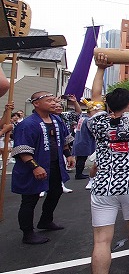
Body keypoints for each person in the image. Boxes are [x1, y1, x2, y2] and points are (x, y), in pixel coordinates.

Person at [86, 53, 129, 274]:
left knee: (101, 240)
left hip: (103, 184)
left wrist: (100, 69)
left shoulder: (97, 122)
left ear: (108, 106)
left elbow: (95, 96)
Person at [11, 91, 75, 245]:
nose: (54, 103)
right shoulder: (27, 124)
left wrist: (69, 155)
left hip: (53, 165)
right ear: (36, 103)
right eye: (49, 101)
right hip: (33, 166)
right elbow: (22, 150)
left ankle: (46, 220)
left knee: (56, 191)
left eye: (54, 100)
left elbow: (64, 140)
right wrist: (35, 167)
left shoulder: (56, 120)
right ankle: (27, 232)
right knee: (29, 199)